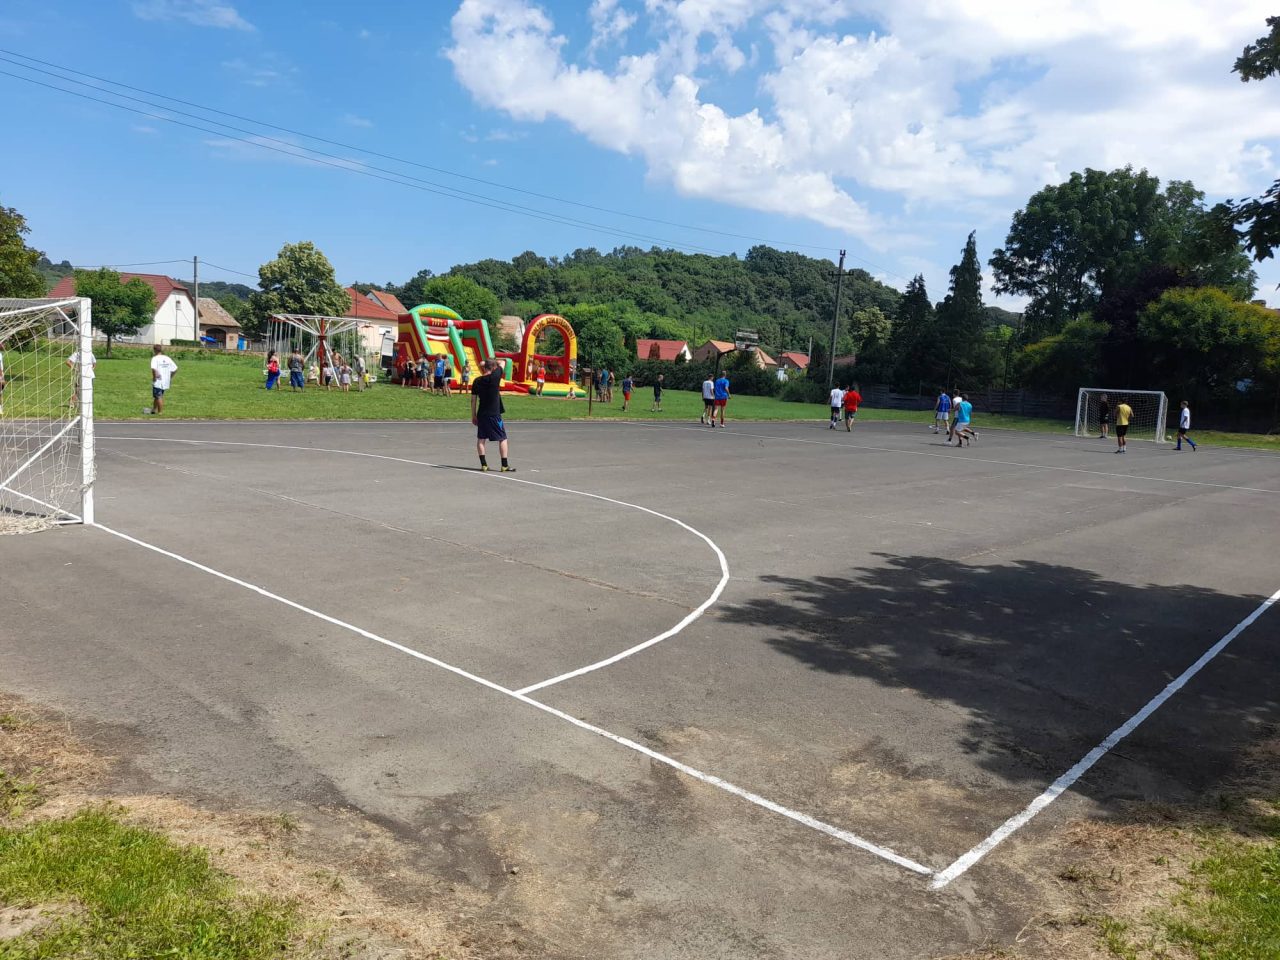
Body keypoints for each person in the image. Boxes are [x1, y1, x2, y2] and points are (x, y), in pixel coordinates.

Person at [470, 358, 514, 472]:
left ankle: (484, 465)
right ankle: (504, 465)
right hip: (494, 414)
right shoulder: (495, 376)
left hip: (482, 413)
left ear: (484, 368)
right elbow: (503, 362)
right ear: (494, 368)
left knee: (481, 439)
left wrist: (473, 415)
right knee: (502, 438)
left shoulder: (477, 381)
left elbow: (473, 400)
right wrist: (490, 362)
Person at [147, 344, 178, 415]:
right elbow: (175, 369)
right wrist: (170, 377)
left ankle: (160, 412)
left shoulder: (155, 358)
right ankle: (154, 410)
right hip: (165, 381)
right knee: (157, 395)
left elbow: (153, 369)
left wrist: (154, 378)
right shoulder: (167, 358)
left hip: (158, 380)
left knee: (158, 396)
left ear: (154, 350)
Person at [66, 344, 96, 410]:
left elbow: (94, 363)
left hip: (90, 376)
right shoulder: (77, 354)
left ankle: (83, 405)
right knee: (78, 390)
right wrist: (75, 369)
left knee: (87, 391)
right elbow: (68, 362)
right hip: (80, 375)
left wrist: (91, 370)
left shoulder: (90, 354)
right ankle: (71, 401)